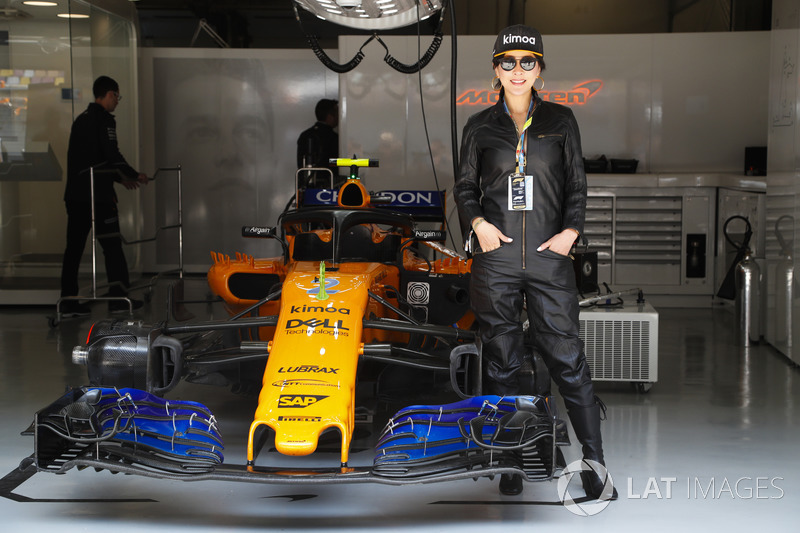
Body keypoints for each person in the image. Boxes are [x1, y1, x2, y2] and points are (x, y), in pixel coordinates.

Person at [453, 25, 617, 500]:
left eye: (528, 62)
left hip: (550, 260)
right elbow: (464, 187)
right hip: (496, 261)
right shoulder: (480, 126)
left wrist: (570, 233)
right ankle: (510, 461)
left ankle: (595, 466)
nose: (518, 71)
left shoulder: (562, 121)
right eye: (508, 62)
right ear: (495, 70)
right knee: (502, 365)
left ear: (540, 68)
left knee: (568, 361)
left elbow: (577, 187)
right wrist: (479, 224)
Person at [59, 75, 148, 316]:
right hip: (98, 197)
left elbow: (92, 158)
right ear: (109, 95)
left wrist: (121, 178)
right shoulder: (105, 120)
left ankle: (67, 302)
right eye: (117, 97)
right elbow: (111, 154)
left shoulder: (81, 120)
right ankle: (119, 301)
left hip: (76, 196)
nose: (117, 101)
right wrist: (132, 174)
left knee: (74, 249)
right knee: (112, 247)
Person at [296, 98, 339, 188]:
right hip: (328, 189)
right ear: (330, 116)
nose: (339, 117)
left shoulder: (305, 135)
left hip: (305, 188)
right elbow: (336, 165)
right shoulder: (334, 138)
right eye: (337, 114)